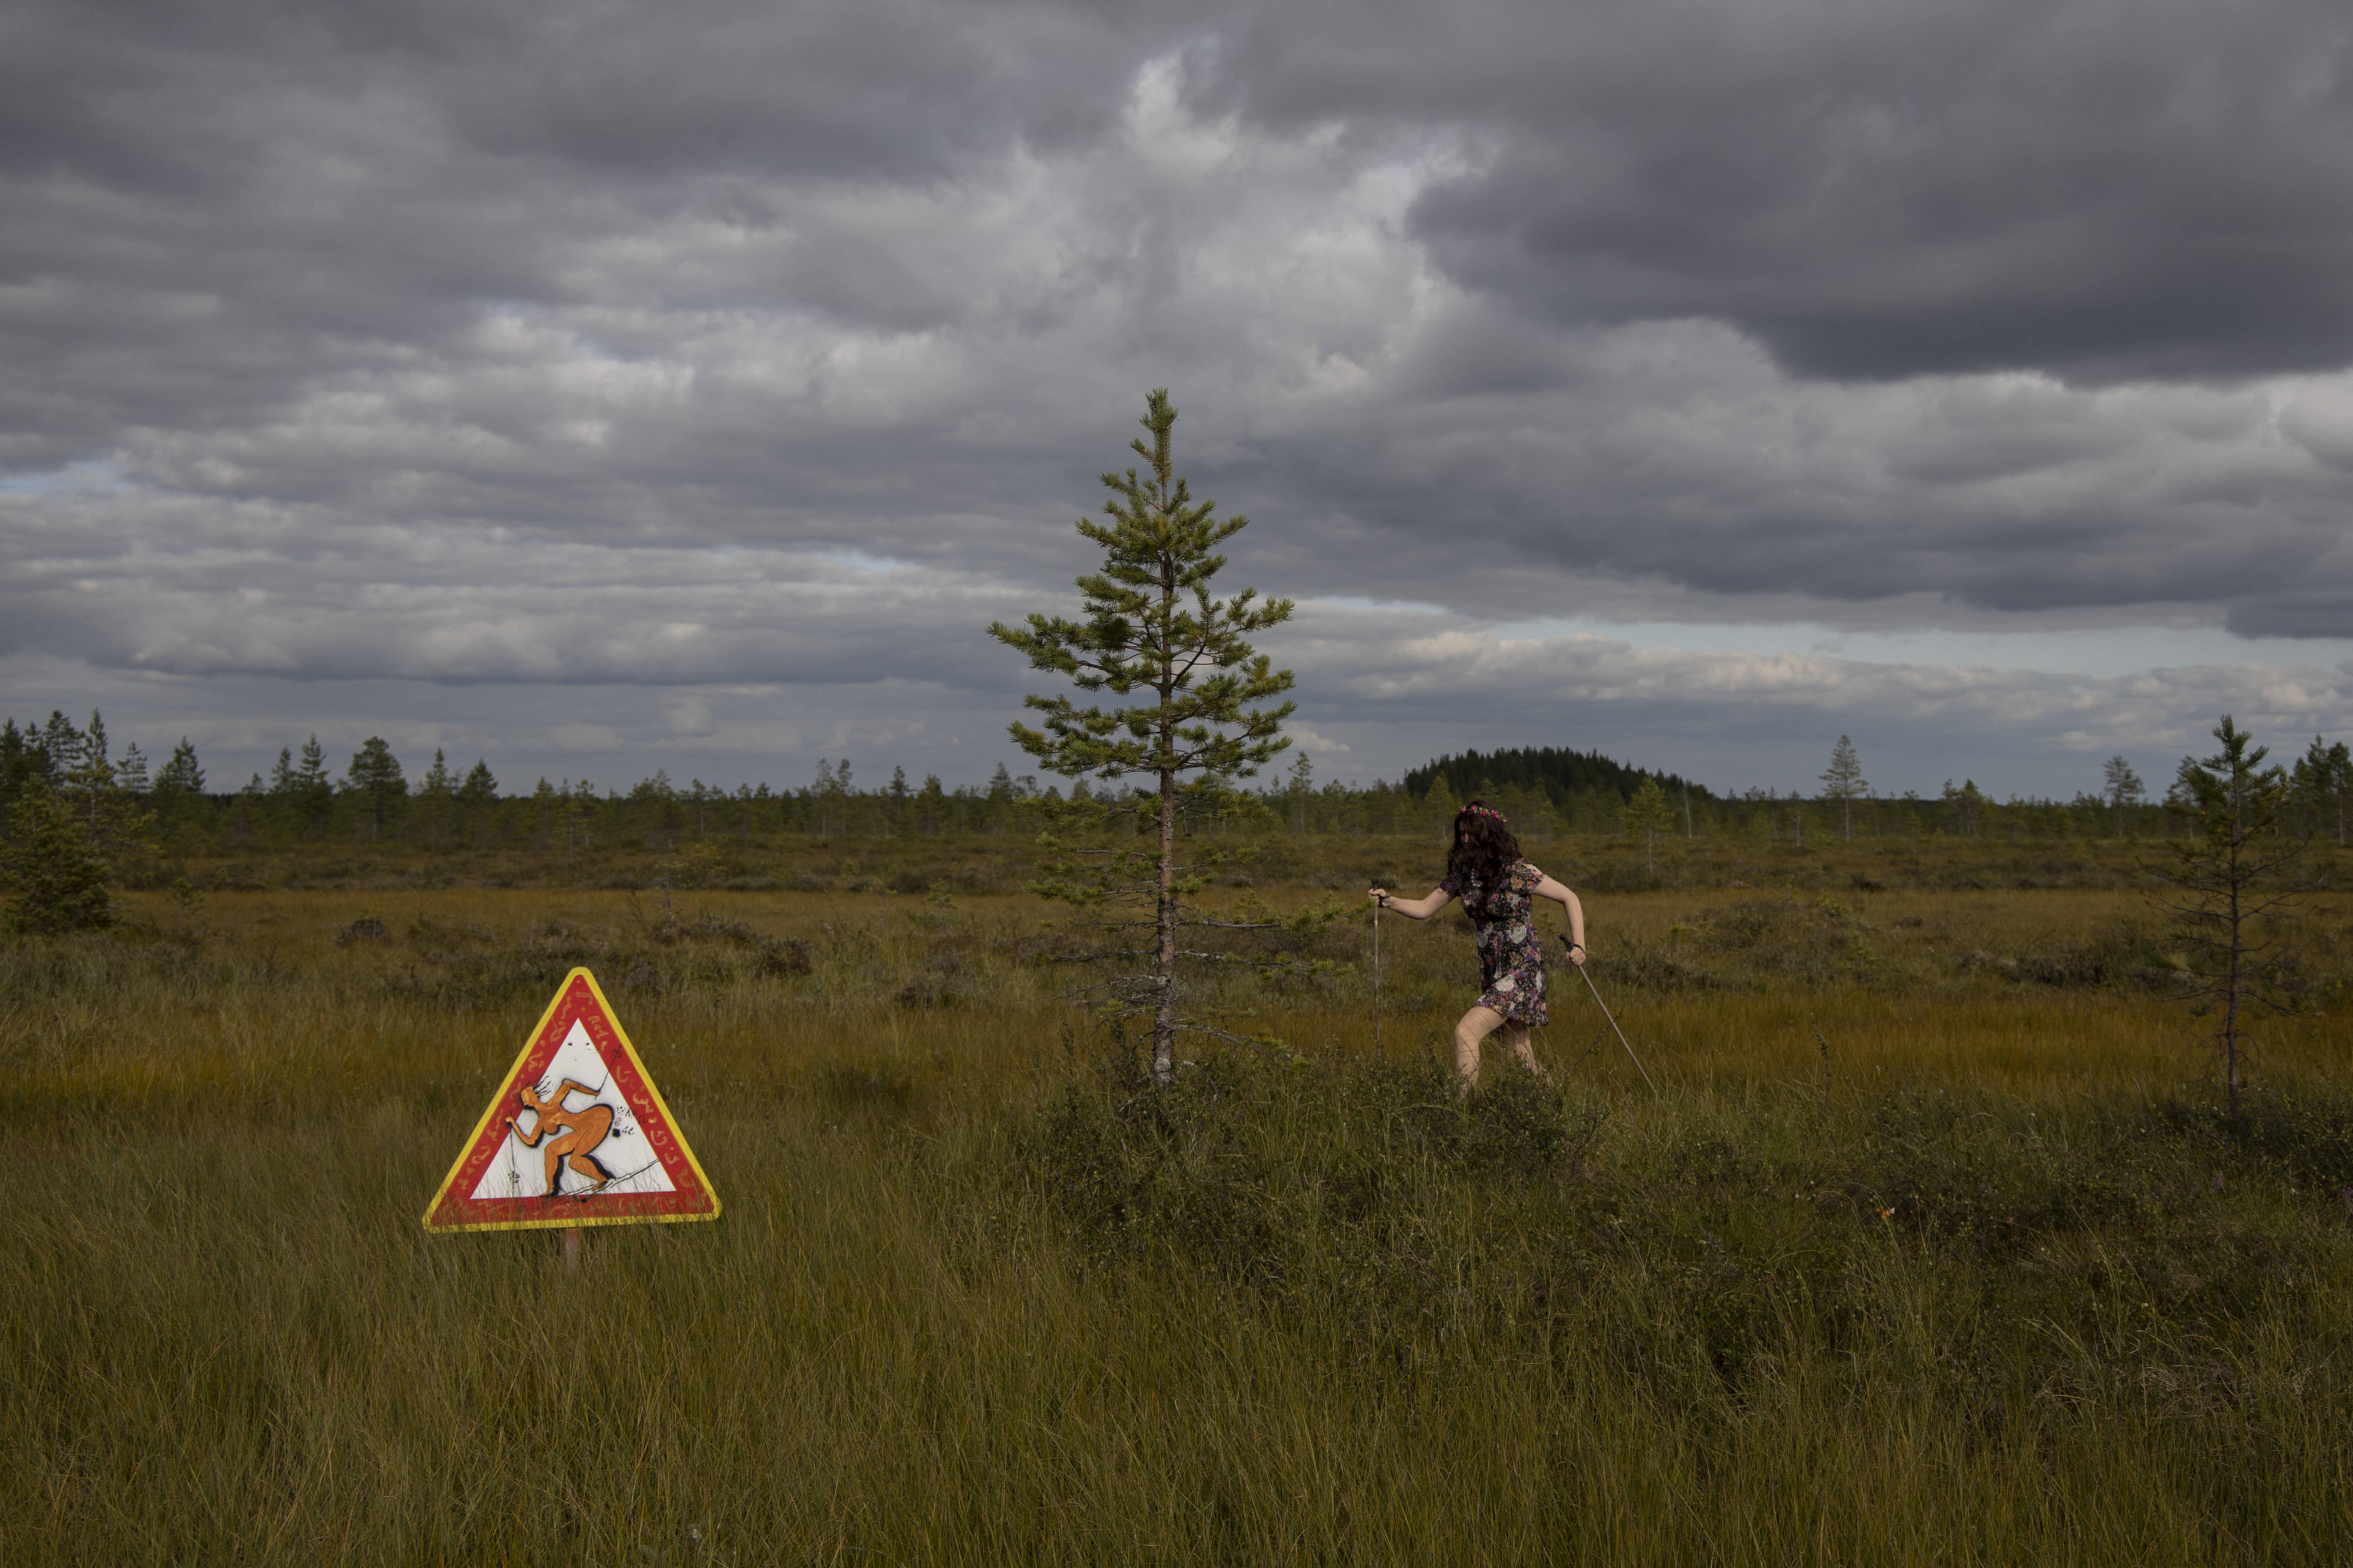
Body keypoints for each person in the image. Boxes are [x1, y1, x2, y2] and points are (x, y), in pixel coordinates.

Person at [1369, 800, 1586, 1088]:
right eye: (1462, 834)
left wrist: (1579, 946)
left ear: (1489, 833)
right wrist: (1389, 901)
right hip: (1493, 972)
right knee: (1519, 1057)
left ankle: (1463, 1113)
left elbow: (1569, 897)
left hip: (1522, 970)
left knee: (1466, 1032)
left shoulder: (1517, 871)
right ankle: (1558, 1107)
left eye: (1472, 833)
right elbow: (1424, 907)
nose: (1466, 840)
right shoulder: (1464, 875)